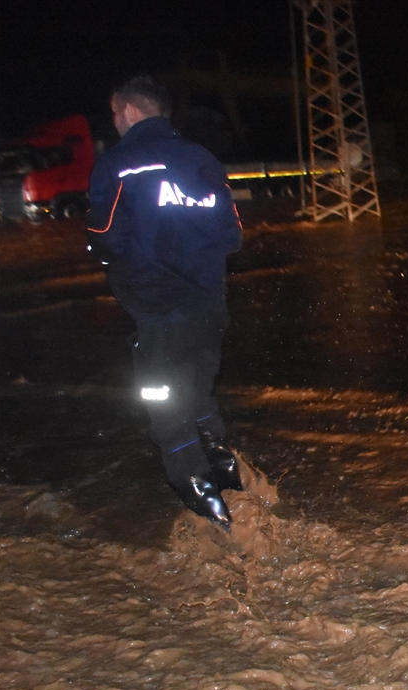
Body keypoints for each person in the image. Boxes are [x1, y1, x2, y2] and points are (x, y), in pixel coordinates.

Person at [86, 74, 243, 529]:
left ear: (131, 111)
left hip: (155, 306)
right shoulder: (202, 160)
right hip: (209, 302)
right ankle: (227, 474)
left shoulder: (120, 163)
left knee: (161, 397)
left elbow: (102, 237)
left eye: (116, 112)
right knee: (195, 386)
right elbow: (232, 236)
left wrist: (139, 257)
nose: (115, 120)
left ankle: (201, 498)